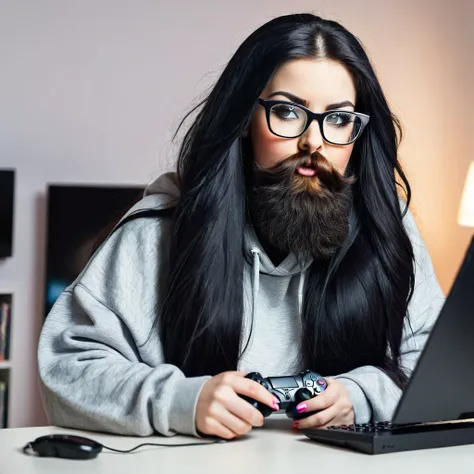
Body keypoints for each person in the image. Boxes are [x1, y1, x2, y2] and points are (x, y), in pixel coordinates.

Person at [37, 13, 445, 440]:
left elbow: (435, 362)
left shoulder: (386, 225)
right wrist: (181, 401)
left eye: (339, 120)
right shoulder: (159, 231)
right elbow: (67, 369)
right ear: (246, 118)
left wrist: (360, 395)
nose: (314, 142)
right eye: (288, 112)